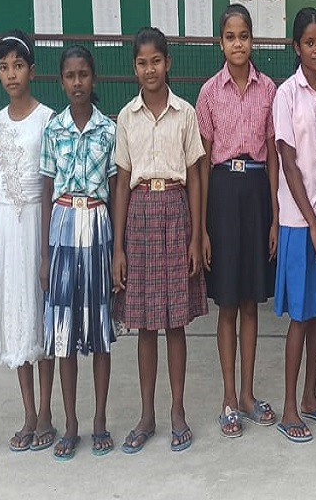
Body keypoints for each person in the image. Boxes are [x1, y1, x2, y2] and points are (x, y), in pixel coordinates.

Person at [112, 27, 208, 454]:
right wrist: (118, 247)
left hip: (175, 211)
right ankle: (147, 414)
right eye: (142, 63)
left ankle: (177, 411)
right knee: (145, 324)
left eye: (156, 61)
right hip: (139, 217)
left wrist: (197, 235)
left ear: (168, 62)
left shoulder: (185, 113)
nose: (149, 69)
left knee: (174, 322)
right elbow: (121, 183)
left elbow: (196, 178)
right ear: (134, 68)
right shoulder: (126, 117)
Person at [196, 5, 279, 439]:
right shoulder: (209, 93)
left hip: (257, 194)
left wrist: (276, 218)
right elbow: (203, 163)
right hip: (224, 196)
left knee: (250, 302)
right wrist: (203, 228)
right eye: (230, 37)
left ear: (252, 39)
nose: (238, 43)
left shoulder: (270, 90)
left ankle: (248, 394)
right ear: (220, 42)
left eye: (244, 35)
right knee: (227, 303)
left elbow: (274, 155)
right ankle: (228, 397)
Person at [0, 32, 57, 454]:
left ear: (32, 71)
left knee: (40, 316)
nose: (11, 74)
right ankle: (28, 413)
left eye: (18, 66)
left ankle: (46, 413)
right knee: (17, 316)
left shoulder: (47, 118)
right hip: (7, 223)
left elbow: (49, 182)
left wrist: (46, 250)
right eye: (4, 67)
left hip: (36, 222)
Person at [40, 46, 117, 461]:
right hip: (63, 226)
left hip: (99, 225)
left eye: (83, 74)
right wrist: (43, 255)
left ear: (94, 78)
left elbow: (116, 189)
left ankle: (99, 420)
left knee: (99, 326)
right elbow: (45, 192)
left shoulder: (109, 130)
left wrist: (118, 249)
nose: (77, 83)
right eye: (70, 76)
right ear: (61, 81)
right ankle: (70, 423)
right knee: (64, 331)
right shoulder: (53, 129)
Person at [272, 8, 316, 443]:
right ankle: (288, 407)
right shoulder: (286, 95)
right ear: (296, 47)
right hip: (300, 224)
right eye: (309, 43)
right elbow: (288, 161)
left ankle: (310, 397)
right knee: (299, 317)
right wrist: (315, 227)